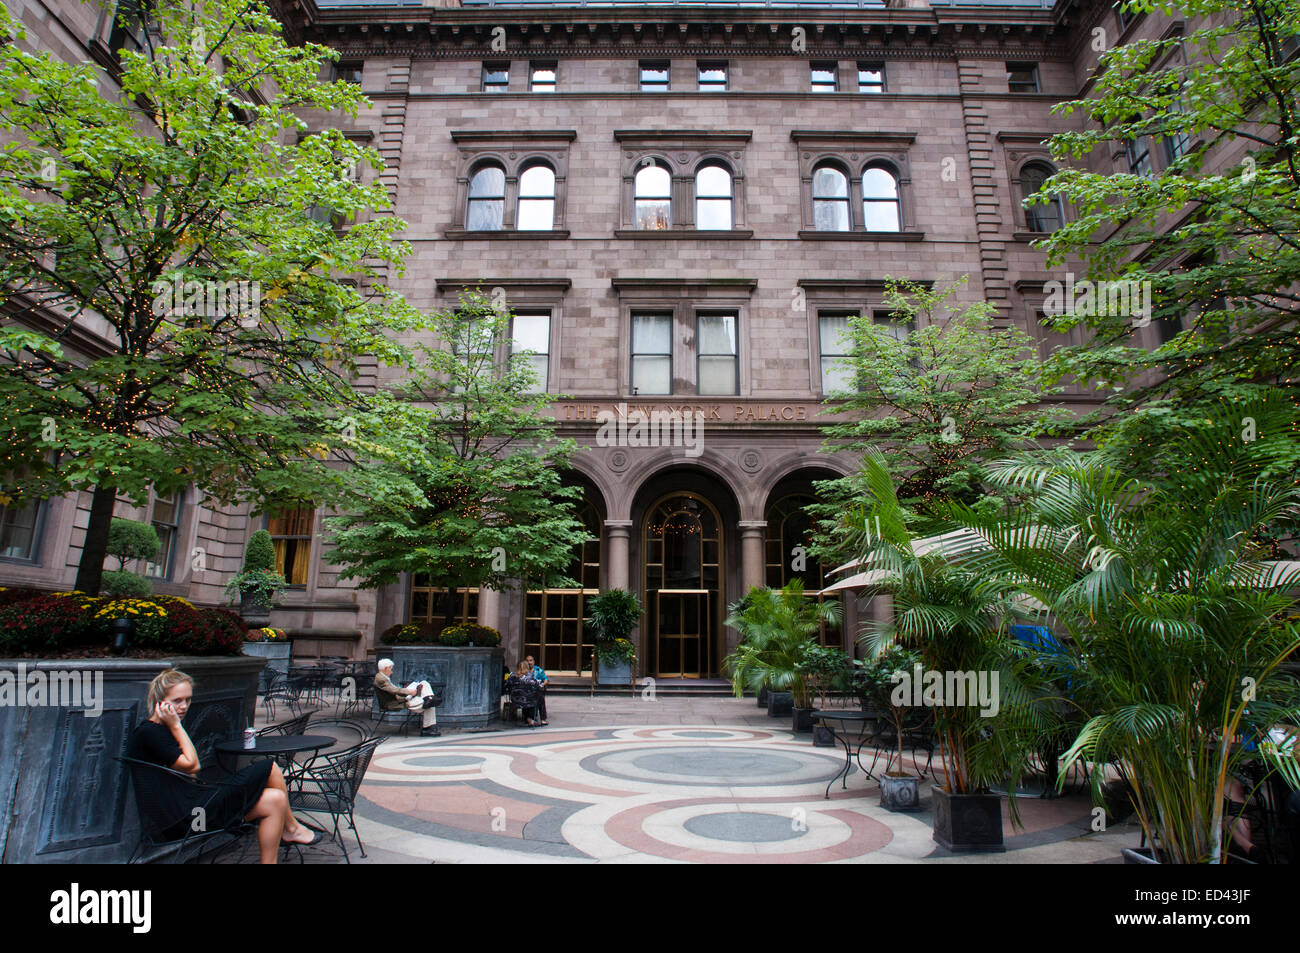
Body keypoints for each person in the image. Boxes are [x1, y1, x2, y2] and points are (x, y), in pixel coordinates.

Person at [126, 669, 323, 865]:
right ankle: (292, 829)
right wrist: (177, 726)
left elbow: (189, 773)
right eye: (177, 700)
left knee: (276, 800)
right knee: (269, 766)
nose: (184, 706)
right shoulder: (151, 732)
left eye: (187, 700)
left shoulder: (159, 729)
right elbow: (193, 765)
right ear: (160, 702)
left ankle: (286, 835)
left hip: (190, 807)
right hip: (185, 818)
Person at [374, 658, 440, 736]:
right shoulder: (381, 679)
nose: (392, 672)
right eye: (390, 669)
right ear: (386, 668)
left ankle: (429, 698)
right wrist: (409, 691)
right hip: (397, 702)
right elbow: (393, 690)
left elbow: (393, 690)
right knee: (430, 705)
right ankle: (427, 728)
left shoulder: (381, 677)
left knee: (424, 683)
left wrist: (408, 690)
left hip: (402, 698)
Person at [505, 660, 541, 727]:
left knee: (527, 697)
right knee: (538, 697)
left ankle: (527, 718)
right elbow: (537, 684)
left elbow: (507, 685)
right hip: (527, 700)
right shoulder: (529, 677)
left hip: (515, 700)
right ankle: (531, 718)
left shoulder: (511, 676)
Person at [526, 654, 549, 726]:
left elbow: (545, 679)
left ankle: (542, 719)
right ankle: (531, 718)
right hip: (526, 691)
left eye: (531, 660)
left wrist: (542, 685)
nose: (529, 662)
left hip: (536, 690)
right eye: (527, 661)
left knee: (540, 698)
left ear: (534, 661)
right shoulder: (523, 670)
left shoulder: (538, 670)